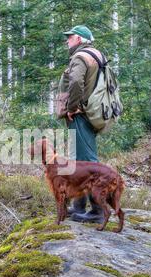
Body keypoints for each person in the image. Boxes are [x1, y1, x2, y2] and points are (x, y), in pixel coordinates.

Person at [61, 25, 104, 223]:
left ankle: (97, 211)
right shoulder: (96, 54)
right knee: (78, 160)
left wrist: (71, 108)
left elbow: (76, 83)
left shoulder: (80, 57)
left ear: (78, 39)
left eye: (69, 37)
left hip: (81, 115)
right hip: (92, 113)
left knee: (87, 162)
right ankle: (77, 206)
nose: (67, 41)